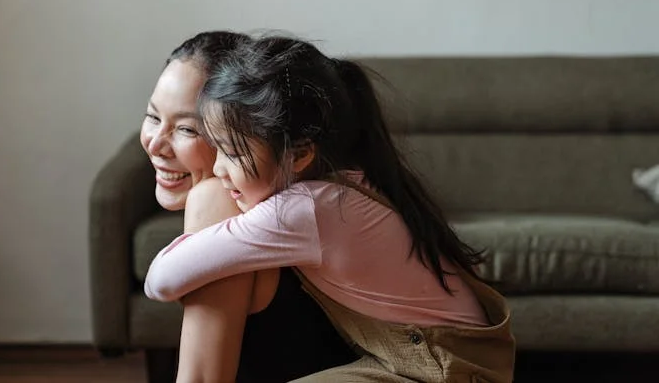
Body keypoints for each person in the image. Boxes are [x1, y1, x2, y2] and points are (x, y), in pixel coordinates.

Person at [145, 35, 517, 382]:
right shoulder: (341, 183)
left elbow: (161, 279)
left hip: (441, 363)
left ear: (302, 152)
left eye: (229, 149)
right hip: (451, 355)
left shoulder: (305, 209)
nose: (220, 169)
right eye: (152, 116)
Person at [140, 31, 357, 383]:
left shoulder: (216, 200)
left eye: (187, 129)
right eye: (152, 117)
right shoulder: (296, 195)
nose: (156, 144)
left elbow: (201, 378)